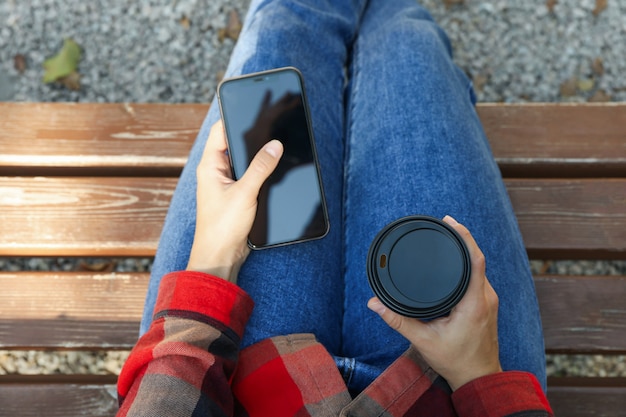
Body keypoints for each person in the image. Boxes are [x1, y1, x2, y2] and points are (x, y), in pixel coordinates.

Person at [116, 0, 553, 415]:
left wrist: (214, 258)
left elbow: (166, 397)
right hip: (451, 384)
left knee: (280, 32)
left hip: (240, 375)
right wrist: (479, 375)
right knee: (409, 46)